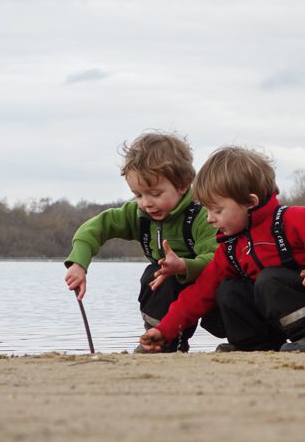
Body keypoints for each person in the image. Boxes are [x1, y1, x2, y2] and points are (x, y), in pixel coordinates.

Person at [140, 146, 305, 353]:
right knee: (227, 289)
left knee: (268, 279)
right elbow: (198, 293)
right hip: (274, 305)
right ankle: (255, 343)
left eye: (217, 210)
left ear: (250, 202)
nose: (209, 218)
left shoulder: (293, 219)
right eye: (207, 210)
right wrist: (164, 330)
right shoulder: (230, 247)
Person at [61, 132, 221, 353]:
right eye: (138, 195)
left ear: (183, 186)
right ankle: (159, 340)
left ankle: (247, 341)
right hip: (168, 288)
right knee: (153, 275)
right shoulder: (137, 214)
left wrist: (184, 266)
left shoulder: (203, 214)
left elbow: (216, 258)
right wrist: (78, 263)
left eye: (155, 193)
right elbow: (96, 228)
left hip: (210, 289)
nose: (146, 203)